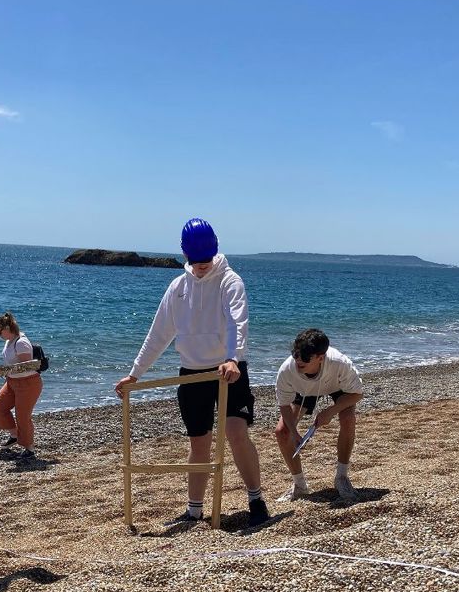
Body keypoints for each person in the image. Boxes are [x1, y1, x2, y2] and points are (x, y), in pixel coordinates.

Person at [114, 218, 270, 527]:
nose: (202, 266)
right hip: (192, 373)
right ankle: (195, 509)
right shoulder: (178, 287)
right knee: (198, 444)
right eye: (196, 260)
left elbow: (236, 322)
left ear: (215, 251)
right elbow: (158, 333)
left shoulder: (230, 280)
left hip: (229, 371)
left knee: (237, 434)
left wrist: (232, 359)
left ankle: (256, 500)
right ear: (186, 255)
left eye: (207, 259)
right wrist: (136, 374)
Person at [273, 329, 364, 501]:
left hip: (338, 387)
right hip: (305, 390)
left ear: (320, 357)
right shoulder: (288, 370)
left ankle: (342, 477)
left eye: (306, 358)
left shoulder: (339, 363)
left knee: (348, 418)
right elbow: (284, 405)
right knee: (282, 432)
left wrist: (330, 411)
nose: (299, 360)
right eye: (296, 355)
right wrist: (294, 432)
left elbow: (358, 394)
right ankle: (299, 485)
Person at [0, 312, 44, 459]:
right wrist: (2, 371)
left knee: (22, 417)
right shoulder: (9, 340)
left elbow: (26, 367)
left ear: (8, 328)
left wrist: (1, 371)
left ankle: (29, 448)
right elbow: (13, 366)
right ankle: (14, 436)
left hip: (28, 383)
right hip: (12, 381)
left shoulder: (21, 342)